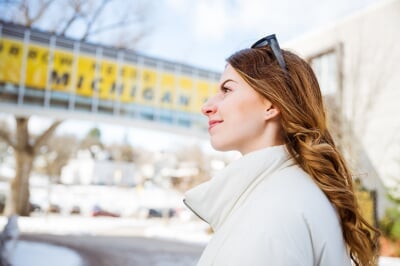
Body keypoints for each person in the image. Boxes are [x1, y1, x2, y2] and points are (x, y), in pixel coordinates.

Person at [183, 34, 379, 266]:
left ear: (272, 105)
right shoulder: (282, 194)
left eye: (227, 89)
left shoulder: (273, 210)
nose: (207, 107)